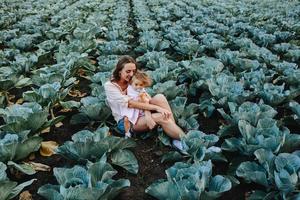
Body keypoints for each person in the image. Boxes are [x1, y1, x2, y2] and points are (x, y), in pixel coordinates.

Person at [104, 55, 184, 150]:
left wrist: (148, 115)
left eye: (134, 71)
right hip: (127, 120)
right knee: (161, 116)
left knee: (160, 97)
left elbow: (146, 98)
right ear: (119, 71)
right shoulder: (110, 86)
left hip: (140, 113)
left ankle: (173, 134)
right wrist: (157, 108)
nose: (131, 74)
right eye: (128, 71)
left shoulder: (132, 80)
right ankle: (186, 141)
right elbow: (130, 104)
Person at [120, 70, 152, 138]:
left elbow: (149, 99)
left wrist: (143, 97)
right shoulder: (129, 87)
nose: (138, 87)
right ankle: (127, 133)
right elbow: (123, 94)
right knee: (126, 119)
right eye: (136, 84)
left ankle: (141, 130)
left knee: (140, 118)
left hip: (139, 107)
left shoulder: (142, 91)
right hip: (130, 107)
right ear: (131, 83)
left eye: (141, 85)